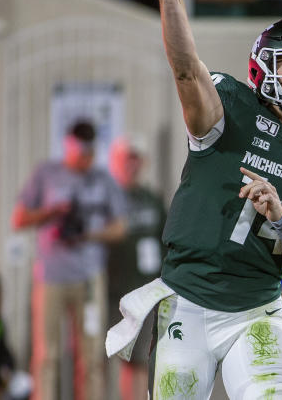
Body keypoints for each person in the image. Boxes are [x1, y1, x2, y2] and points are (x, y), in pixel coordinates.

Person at [105, 0, 282, 400]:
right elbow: (185, 69)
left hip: (257, 307)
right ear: (263, 67)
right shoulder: (230, 106)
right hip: (188, 302)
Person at [12, 118, 127, 400]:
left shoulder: (102, 178)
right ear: (68, 146)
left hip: (89, 279)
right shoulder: (47, 174)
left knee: (90, 356)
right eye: (80, 154)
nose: (85, 160)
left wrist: (90, 235)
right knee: (46, 355)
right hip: (51, 278)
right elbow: (18, 218)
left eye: (89, 155)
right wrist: (50, 213)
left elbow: (121, 227)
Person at [105, 135, 167, 400]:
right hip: (116, 288)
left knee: (141, 356)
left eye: (136, 160)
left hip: (147, 287)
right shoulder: (108, 199)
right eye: (127, 159)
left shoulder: (151, 198)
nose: (132, 165)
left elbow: (165, 238)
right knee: (117, 353)